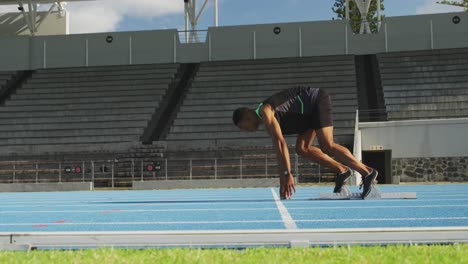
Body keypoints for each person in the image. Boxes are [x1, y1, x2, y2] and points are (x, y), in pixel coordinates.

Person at [232, 86, 378, 200]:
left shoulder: (265, 111)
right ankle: (342, 170)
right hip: (307, 116)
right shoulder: (266, 121)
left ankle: (367, 172)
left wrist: (287, 174)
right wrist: (284, 177)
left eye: (243, 128)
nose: (247, 131)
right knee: (302, 148)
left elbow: (281, 144)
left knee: (327, 144)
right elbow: (279, 150)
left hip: (315, 101)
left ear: (246, 118)